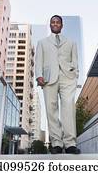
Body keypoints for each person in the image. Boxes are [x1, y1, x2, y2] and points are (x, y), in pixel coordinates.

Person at [35, 15, 80, 154]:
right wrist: (39, 76)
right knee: (51, 110)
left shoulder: (71, 42)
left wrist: (75, 74)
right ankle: (56, 144)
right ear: (50, 25)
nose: (55, 24)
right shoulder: (42, 42)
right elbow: (38, 61)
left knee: (68, 108)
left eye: (57, 22)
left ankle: (70, 143)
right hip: (49, 79)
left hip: (68, 78)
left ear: (61, 25)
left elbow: (75, 60)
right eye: (53, 22)